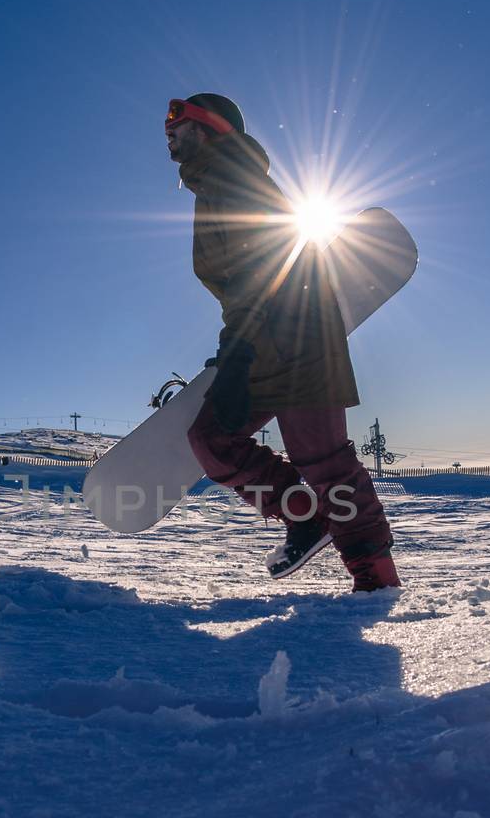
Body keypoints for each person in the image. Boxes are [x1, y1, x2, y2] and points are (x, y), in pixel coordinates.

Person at [165, 93, 400, 592]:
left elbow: (263, 264)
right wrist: (237, 346)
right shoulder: (212, 186)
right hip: (260, 337)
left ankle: (377, 584)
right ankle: (306, 518)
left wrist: (237, 348)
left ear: (208, 128)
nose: (168, 132)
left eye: (178, 122)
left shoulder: (234, 177)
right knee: (211, 439)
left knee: (325, 463)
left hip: (300, 339)